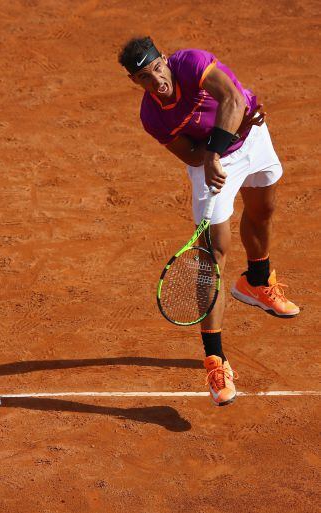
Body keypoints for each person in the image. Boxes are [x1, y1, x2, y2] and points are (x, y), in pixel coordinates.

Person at [118, 36, 300, 406]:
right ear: (135, 83)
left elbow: (233, 99)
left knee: (263, 210)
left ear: (164, 60)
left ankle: (257, 282)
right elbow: (190, 154)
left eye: (156, 69)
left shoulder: (192, 63)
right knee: (212, 255)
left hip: (252, 137)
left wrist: (223, 142)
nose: (157, 81)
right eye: (145, 79)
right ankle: (215, 360)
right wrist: (214, 154)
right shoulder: (152, 116)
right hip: (214, 166)